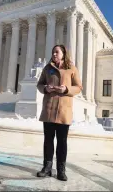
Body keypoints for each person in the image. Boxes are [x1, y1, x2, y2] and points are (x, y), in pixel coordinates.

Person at [36, 45, 82, 181]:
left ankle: (61, 170)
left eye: (57, 52)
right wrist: (46, 88)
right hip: (49, 109)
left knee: (62, 142)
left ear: (63, 53)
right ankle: (47, 168)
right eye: (53, 52)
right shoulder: (47, 68)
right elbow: (39, 84)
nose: (54, 54)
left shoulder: (71, 69)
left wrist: (66, 89)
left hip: (64, 111)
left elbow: (79, 87)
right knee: (48, 141)